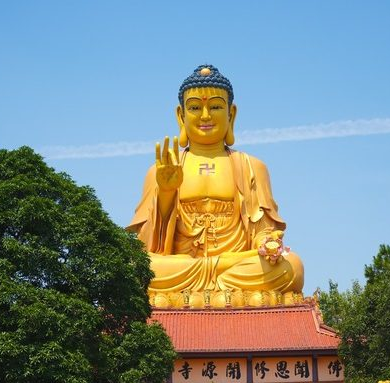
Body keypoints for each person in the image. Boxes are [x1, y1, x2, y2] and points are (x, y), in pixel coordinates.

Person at [128, 65, 304, 308]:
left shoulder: (252, 167)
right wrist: (166, 192)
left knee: (292, 265)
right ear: (180, 115)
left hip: (233, 264)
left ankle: (205, 289)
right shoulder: (160, 169)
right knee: (135, 267)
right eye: (195, 108)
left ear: (232, 114)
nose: (205, 116)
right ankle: (223, 289)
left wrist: (268, 245)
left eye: (216, 107)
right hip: (183, 267)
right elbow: (146, 247)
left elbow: (263, 232)